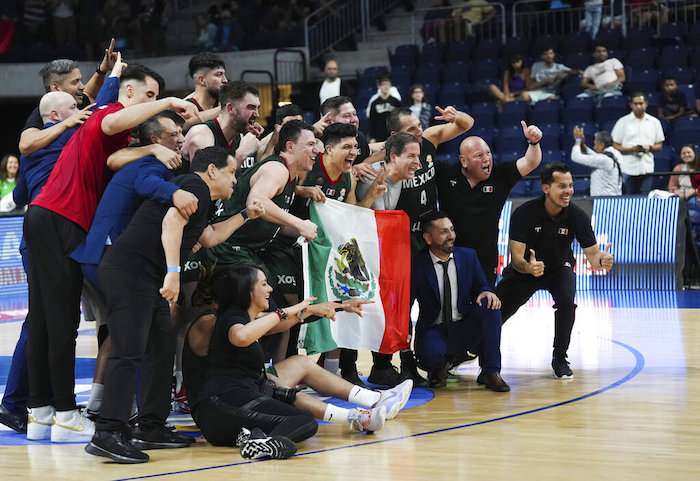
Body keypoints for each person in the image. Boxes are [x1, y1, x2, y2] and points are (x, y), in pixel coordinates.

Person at [23, 60, 200, 443]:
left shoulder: (118, 131)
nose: (153, 104)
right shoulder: (110, 114)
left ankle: (40, 414)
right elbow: (112, 121)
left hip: (45, 216)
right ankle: (68, 414)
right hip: (62, 217)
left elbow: (115, 155)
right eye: (148, 95)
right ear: (131, 93)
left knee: (43, 321)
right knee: (62, 323)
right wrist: (166, 100)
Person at [85, 147, 263, 464]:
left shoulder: (202, 199)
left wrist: (245, 215)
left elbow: (208, 236)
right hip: (130, 272)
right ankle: (107, 432)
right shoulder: (193, 186)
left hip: (145, 276)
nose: (235, 180)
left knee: (161, 347)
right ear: (212, 170)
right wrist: (173, 273)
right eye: (232, 172)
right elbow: (171, 224)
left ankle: (150, 427)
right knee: (128, 351)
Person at [181, 266, 413, 460]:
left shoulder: (242, 317)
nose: (270, 289)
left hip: (246, 388)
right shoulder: (214, 322)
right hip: (215, 403)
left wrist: (331, 306)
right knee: (300, 417)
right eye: (263, 284)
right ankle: (263, 442)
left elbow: (277, 322)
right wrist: (286, 312)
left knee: (294, 384)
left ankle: (365, 409)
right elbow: (249, 332)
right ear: (245, 290)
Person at [495, 162, 614, 379]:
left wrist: (602, 261)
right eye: (561, 186)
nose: (568, 191)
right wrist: (529, 267)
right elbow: (517, 258)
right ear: (546, 188)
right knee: (496, 310)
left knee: (567, 303)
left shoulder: (576, 215)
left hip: (559, 268)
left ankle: (560, 357)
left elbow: (593, 256)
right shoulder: (524, 213)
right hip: (526, 271)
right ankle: (471, 350)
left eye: (570, 185)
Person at [435, 121, 543, 286]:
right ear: (463, 161)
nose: (486, 159)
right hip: (449, 254)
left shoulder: (500, 175)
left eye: (488, 153)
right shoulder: (445, 172)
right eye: (479, 156)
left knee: (484, 305)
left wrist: (533, 142)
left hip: (485, 257)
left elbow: (530, 162)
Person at [412, 213, 508, 391]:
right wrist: (404, 335)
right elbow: (406, 302)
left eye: (452, 230)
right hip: (435, 328)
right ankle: (438, 367)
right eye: (443, 232)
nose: (451, 236)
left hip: (464, 325)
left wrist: (486, 291)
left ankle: (491, 371)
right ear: (428, 238)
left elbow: (482, 285)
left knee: (491, 305)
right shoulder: (417, 264)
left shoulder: (468, 256)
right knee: (429, 355)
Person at [19, 39, 119, 156]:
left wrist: (102, 70)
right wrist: (67, 123)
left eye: (80, 80)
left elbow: (89, 93)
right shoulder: (41, 113)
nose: (82, 86)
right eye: (75, 82)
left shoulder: (78, 100)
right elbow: (25, 146)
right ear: (56, 88)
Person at [183, 80, 262, 172]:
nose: (257, 114)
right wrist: (241, 154)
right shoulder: (201, 135)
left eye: (257, 108)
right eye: (251, 107)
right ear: (231, 108)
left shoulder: (239, 136)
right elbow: (208, 181)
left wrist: (274, 138)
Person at [611, 92, 665, 196]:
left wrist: (649, 148)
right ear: (631, 105)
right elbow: (615, 145)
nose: (638, 106)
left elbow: (659, 146)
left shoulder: (654, 122)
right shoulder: (622, 122)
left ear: (646, 104)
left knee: (645, 199)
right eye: (635, 104)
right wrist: (632, 149)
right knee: (627, 199)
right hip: (627, 168)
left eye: (641, 103)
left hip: (646, 167)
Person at [571, 126, 623, 196]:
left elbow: (575, 157)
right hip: (610, 199)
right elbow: (596, 157)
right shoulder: (612, 155)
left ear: (601, 145)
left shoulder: (604, 160)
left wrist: (577, 140)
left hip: (605, 202)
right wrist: (582, 144)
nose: (594, 147)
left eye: (595, 144)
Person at [183, 51, 228, 130]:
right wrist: (226, 108)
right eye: (218, 75)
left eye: (224, 74)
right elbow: (183, 124)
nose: (225, 80)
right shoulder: (184, 107)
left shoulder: (222, 101)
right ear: (202, 80)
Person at [367, 73, 402, 143]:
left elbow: (400, 118)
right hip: (379, 136)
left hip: (394, 135)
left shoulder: (396, 101)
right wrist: (372, 137)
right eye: (384, 84)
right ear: (379, 86)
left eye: (388, 84)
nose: (386, 87)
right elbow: (371, 121)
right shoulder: (374, 103)